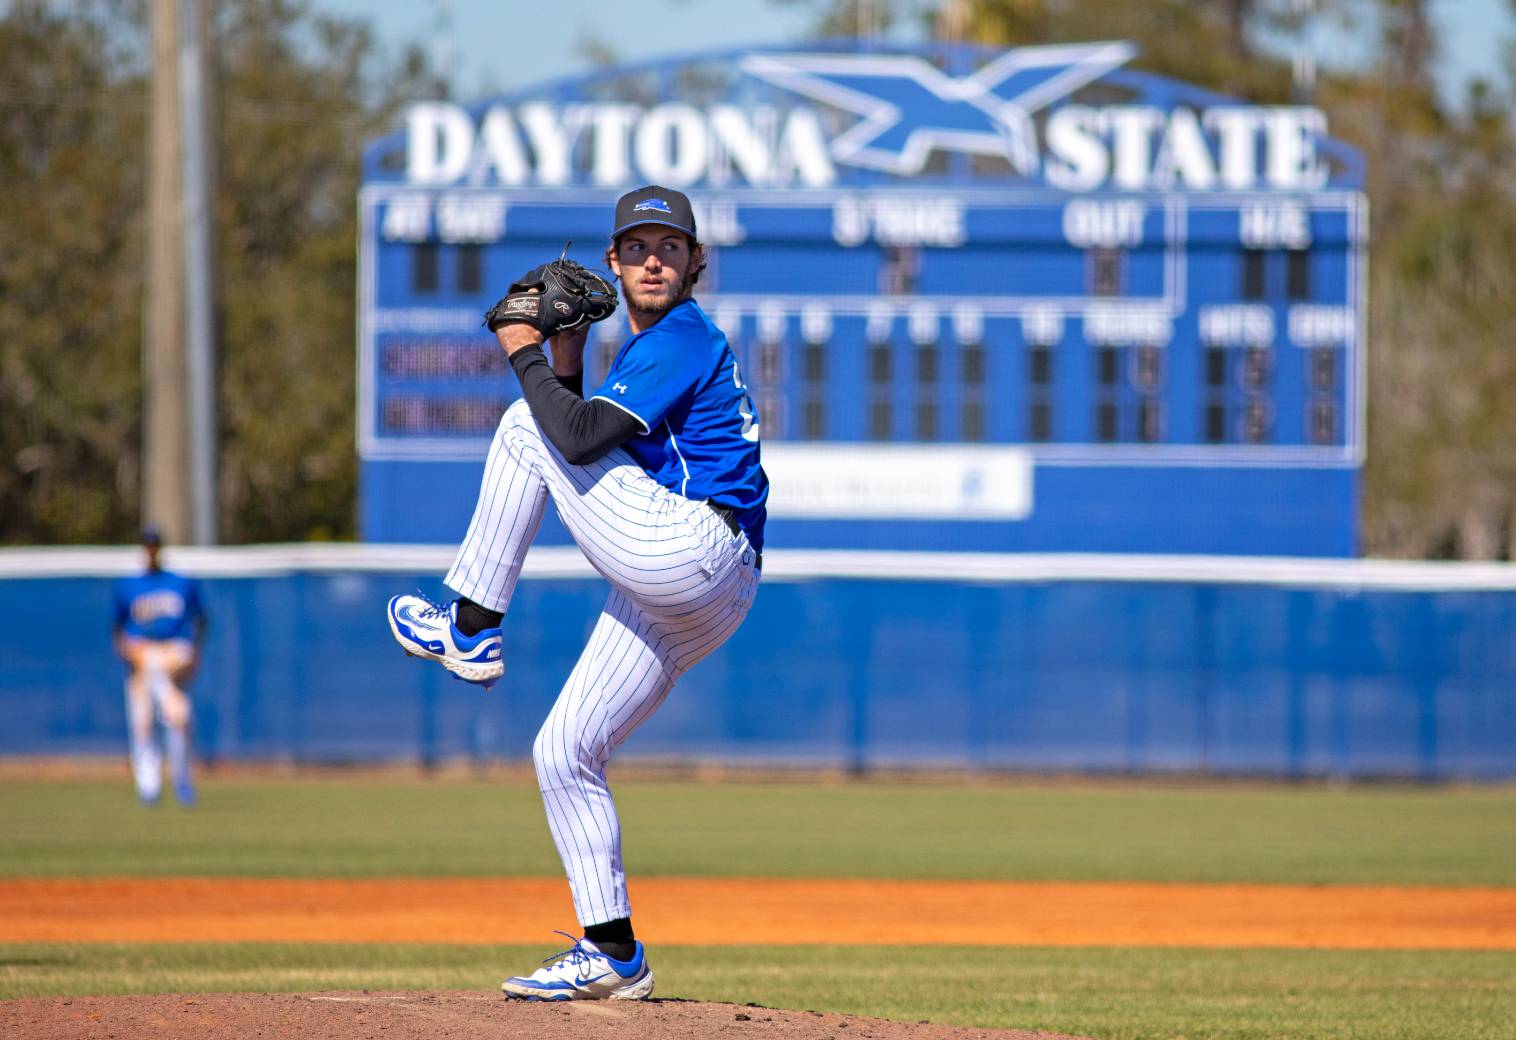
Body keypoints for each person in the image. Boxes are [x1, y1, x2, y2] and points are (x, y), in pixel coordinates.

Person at [387, 185, 767, 1001]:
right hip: (710, 587)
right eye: (638, 247)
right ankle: (614, 952)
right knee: (564, 752)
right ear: (614, 263)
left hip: (691, 547)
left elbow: (576, 437)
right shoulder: (655, 347)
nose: (654, 259)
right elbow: (588, 425)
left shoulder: (682, 336)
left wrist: (523, 346)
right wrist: (564, 353)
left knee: (526, 427)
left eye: (670, 246)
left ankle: (471, 625)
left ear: (698, 262)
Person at [112, 527, 207, 806]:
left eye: (154, 545)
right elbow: (117, 625)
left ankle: (182, 780)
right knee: (143, 725)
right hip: (141, 657)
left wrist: (195, 654)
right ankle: (149, 787)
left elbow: (201, 619)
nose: (150, 550)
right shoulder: (128, 585)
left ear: (160, 548)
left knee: (179, 719)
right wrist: (124, 653)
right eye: (146, 545)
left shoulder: (180, 582)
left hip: (171, 654)